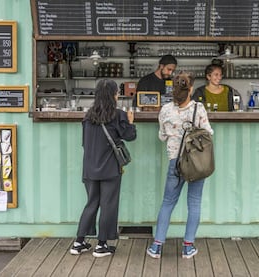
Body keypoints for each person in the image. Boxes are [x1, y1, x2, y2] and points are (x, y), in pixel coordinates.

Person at [146, 72, 213, 259]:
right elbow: (208, 133)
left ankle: (157, 246)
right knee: (194, 203)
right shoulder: (198, 109)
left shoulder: (165, 110)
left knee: (168, 203)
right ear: (190, 89)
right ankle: (188, 247)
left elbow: (162, 136)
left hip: (175, 162)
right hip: (196, 163)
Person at [70, 79, 137, 258]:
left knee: (92, 203)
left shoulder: (88, 116)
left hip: (90, 167)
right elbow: (130, 136)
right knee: (108, 205)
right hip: (110, 168)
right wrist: (131, 122)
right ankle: (101, 245)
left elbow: (84, 143)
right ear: (114, 95)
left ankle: (79, 242)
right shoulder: (118, 115)